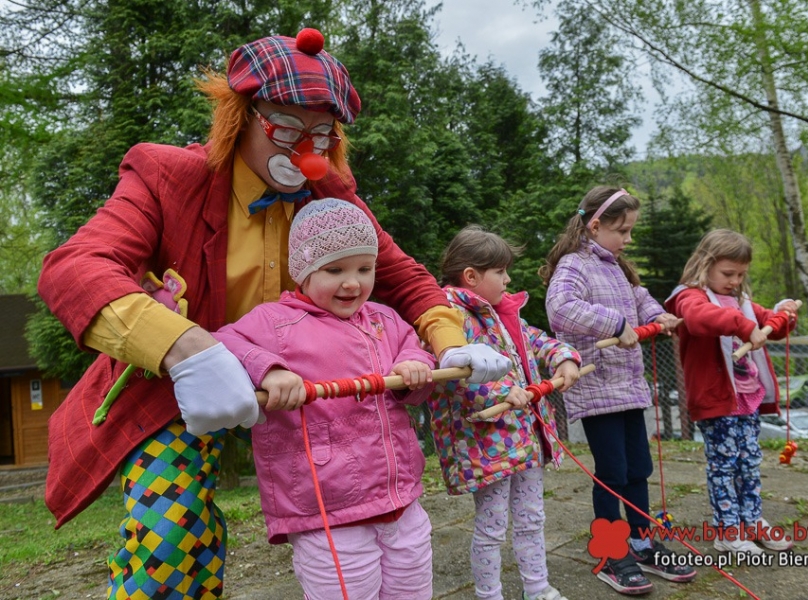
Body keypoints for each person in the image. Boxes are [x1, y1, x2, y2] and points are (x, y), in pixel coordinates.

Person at [36, 28, 509, 599]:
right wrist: (187, 350)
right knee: (169, 536)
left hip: (303, 395)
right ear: (240, 118)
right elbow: (76, 267)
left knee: (367, 519)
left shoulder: (330, 195)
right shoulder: (166, 176)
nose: (306, 153)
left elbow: (404, 276)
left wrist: (448, 339)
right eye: (285, 128)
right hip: (181, 386)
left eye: (321, 135)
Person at [213, 198, 435, 599]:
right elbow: (221, 344)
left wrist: (414, 363)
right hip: (327, 511)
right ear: (303, 270)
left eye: (365, 269)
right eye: (335, 270)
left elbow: (413, 346)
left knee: (414, 590)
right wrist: (269, 370)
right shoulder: (273, 322)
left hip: (402, 498)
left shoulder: (385, 319)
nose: (353, 283)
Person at [541, 186, 697, 595]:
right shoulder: (574, 265)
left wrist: (658, 316)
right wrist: (614, 324)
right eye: (622, 230)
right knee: (612, 473)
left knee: (638, 468)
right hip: (597, 387)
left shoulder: (616, 267)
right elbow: (560, 308)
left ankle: (641, 543)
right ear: (595, 226)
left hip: (628, 386)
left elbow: (638, 298)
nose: (628, 239)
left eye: (630, 231)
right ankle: (611, 552)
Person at [429, 225, 582, 600]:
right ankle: (489, 594)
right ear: (471, 276)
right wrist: (500, 391)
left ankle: (537, 587)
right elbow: (454, 374)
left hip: (526, 436)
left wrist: (563, 358)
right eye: (500, 271)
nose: (508, 279)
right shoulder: (449, 318)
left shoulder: (503, 313)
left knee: (532, 517)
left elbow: (534, 339)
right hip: (488, 445)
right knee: (492, 526)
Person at [664, 228, 797, 556]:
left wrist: (784, 313)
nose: (735, 281)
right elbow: (698, 318)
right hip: (716, 399)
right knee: (724, 464)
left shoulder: (742, 302)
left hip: (747, 397)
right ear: (704, 264)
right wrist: (743, 325)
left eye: (741, 274)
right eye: (728, 273)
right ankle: (727, 530)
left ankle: (751, 520)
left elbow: (772, 325)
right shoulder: (689, 296)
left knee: (749, 461)